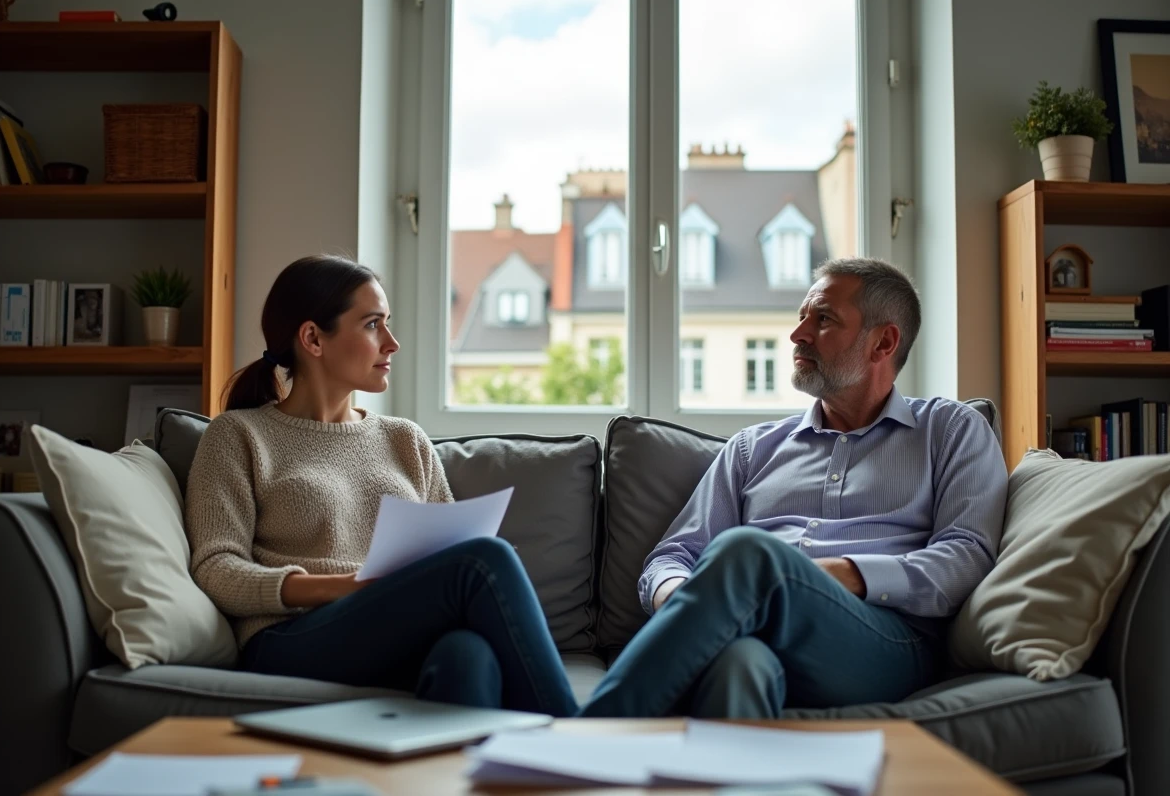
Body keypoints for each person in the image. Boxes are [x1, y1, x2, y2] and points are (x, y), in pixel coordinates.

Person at [579, 257, 1008, 719]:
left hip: (887, 640)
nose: (797, 334)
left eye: (823, 319)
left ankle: (592, 736)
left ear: (882, 342)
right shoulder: (753, 449)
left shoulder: (950, 429)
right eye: (802, 316)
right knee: (740, 664)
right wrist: (691, 602)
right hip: (752, 628)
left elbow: (967, 556)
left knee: (748, 552)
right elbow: (672, 556)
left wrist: (831, 575)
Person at [185, 254, 577, 716]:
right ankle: (577, 743)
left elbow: (450, 546)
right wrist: (343, 586)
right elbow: (216, 568)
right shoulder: (238, 436)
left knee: (467, 655)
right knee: (484, 561)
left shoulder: (404, 439)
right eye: (373, 325)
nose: (391, 343)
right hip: (290, 639)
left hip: (394, 632)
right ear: (312, 338)